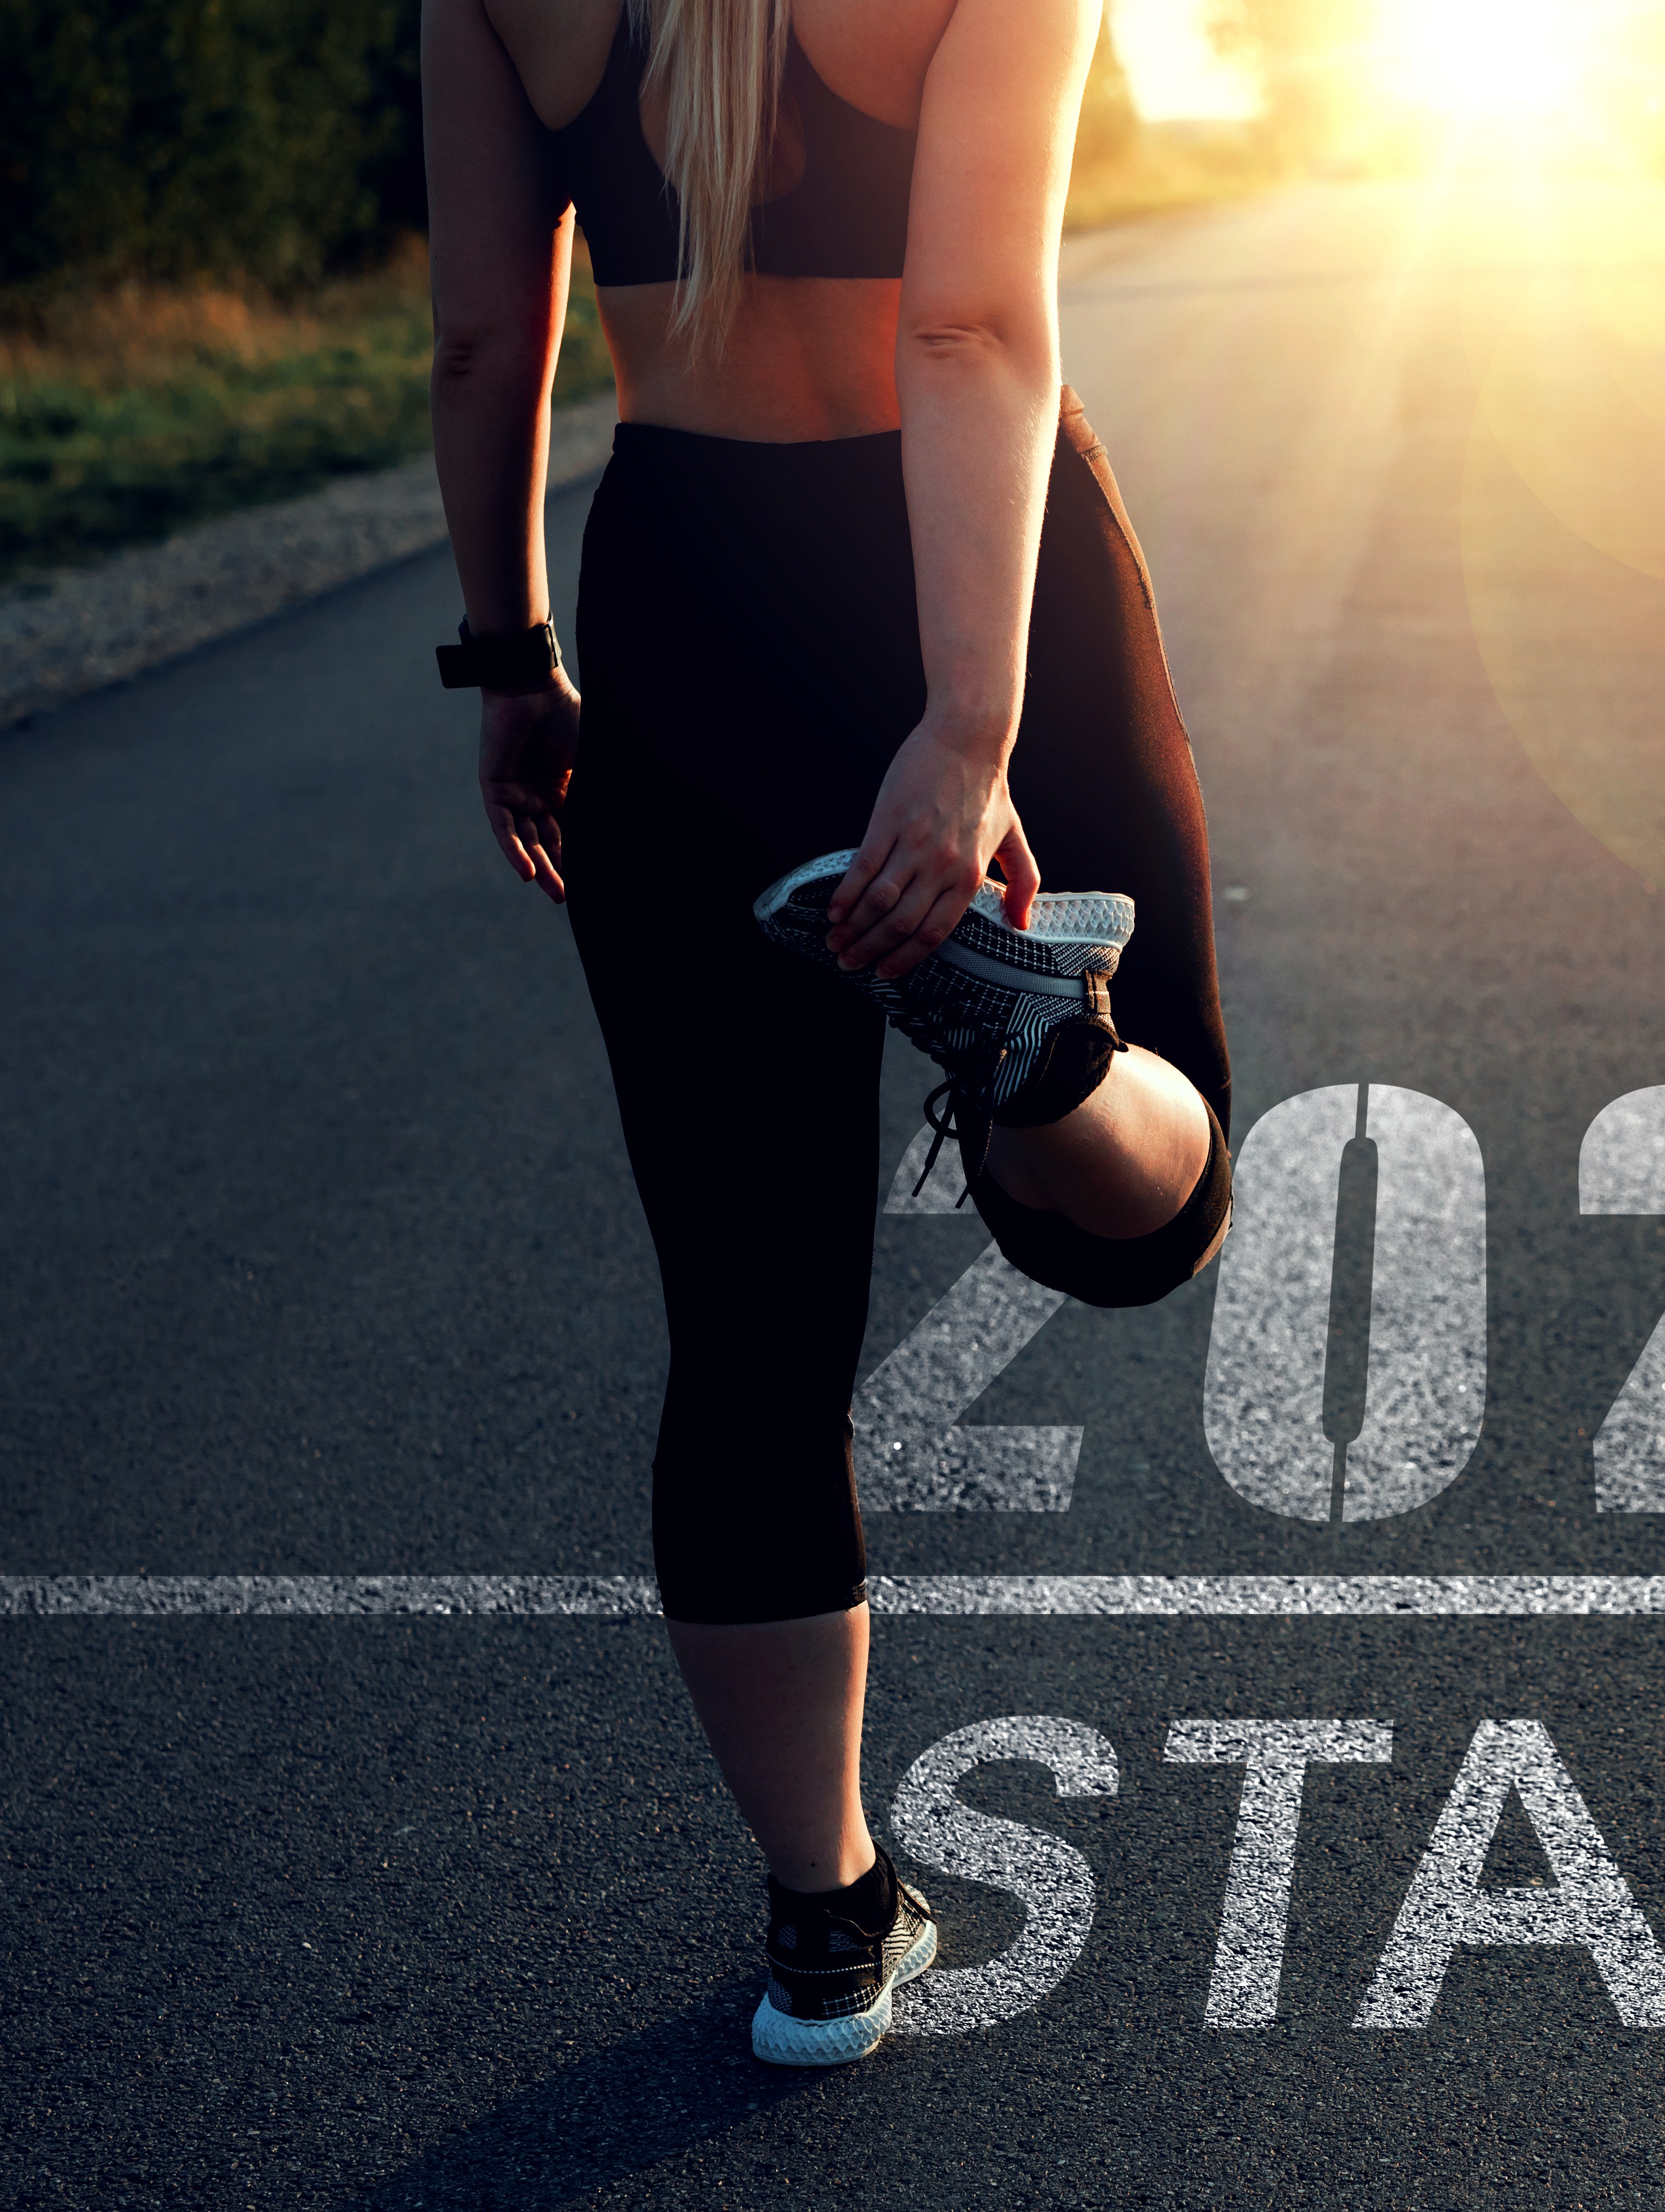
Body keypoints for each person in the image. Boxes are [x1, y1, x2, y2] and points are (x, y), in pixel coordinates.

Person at [423, 0, 1231, 2066]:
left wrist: (511, 654)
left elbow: (482, 343)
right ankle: (1039, 1056)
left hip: (684, 597)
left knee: (753, 1325)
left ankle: (824, 1931)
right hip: (971, 574)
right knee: (1145, 1220)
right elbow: (968, 331)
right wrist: (966, 737)